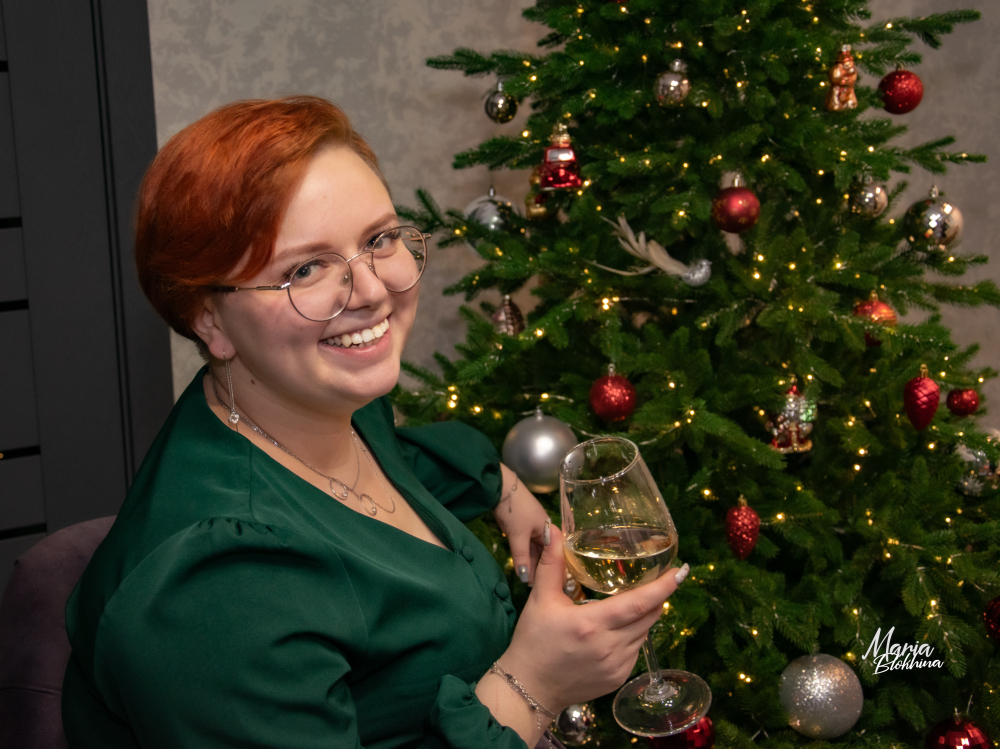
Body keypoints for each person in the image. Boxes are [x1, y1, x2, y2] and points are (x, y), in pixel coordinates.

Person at [62, 96, 688, 749]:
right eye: (305, 269)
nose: (371, 290)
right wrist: (535, 683)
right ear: (208, 318)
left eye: (379, 240)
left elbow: (394, 466)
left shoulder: (320, 408)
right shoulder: (213, 591)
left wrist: (502, 488)